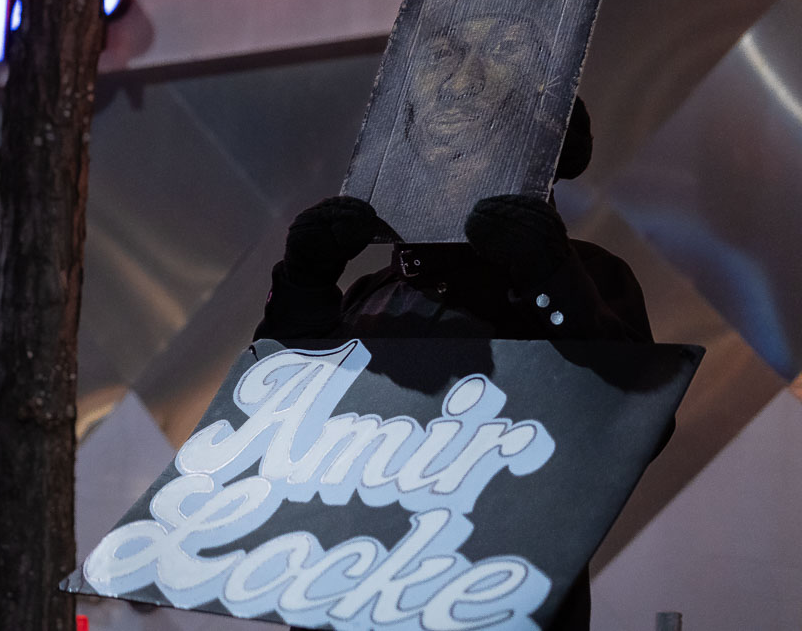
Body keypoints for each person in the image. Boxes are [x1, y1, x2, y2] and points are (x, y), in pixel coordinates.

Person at [254, 98, 653, 630]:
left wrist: (550, 277)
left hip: (496, 597)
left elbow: (633, 421)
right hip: (349, 593)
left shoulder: (590, 276)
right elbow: (269, 424)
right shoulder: (370, 293)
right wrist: (304, 289)